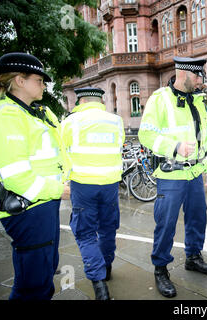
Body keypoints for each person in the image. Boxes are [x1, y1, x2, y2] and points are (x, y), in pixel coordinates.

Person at [138, 56, 207, 298]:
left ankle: (193, 257)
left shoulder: (198, 100)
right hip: (170, 174)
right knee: (166, 223)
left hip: (193, 173)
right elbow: (145, 134)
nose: (200, 81)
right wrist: (175, 147)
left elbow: (204, 136)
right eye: (196, 76)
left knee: (197, 217)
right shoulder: (159, 99)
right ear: (183, 74)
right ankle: (160, 268)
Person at [0, 52, 70, 300]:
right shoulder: (6, 115)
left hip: (43, 203)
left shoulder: (38, 112)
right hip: (28, 208)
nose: (44, 85)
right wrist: (58, 189)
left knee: (45, 271)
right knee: (33, 285)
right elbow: (16, 176)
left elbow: (58, 152)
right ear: (19, 80)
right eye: (39, 79)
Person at [61, 87, 125, 300]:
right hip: (109, 184)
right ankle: (106, 268)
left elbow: (62, 154)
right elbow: (118, 147)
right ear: (100, 101)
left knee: (85, 233)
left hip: (83, 184)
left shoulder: (71, 122)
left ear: (81, 101)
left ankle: (98, 283)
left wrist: (63, 181)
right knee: (107, 228)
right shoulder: (115, 120)